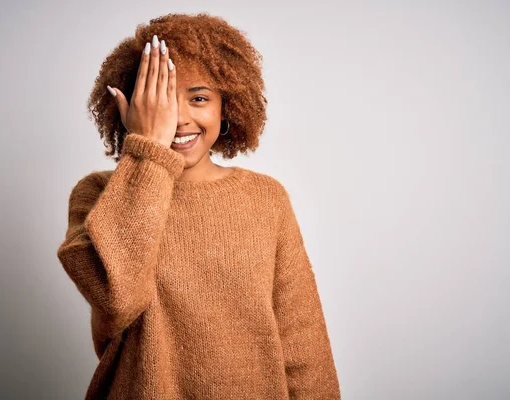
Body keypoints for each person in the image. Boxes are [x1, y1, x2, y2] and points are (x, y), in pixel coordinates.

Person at [56, 12, 341, 399]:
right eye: (159, 100)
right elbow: (116, 299)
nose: (178, 118)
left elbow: (302, 344)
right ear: (131, 107)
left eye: (199, 98)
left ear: (228, 106)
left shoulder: (265, 198)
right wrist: (149, 151)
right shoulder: (98, 196)